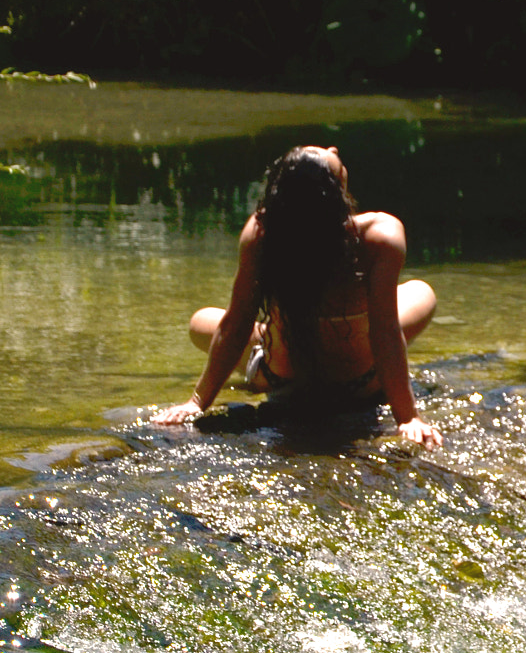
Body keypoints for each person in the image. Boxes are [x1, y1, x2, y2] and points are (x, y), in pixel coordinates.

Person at [153, 145, 442, 447]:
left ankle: (274, 338)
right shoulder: (380, 235)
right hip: (360, 386)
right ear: (338, 189)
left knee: (202, 321)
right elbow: (385, 330)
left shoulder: (263, 231)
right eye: (331, 155)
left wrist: (198, 401)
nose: (333, 148)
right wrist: (407, 416)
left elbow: (237, 322)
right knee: (421, 292)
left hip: (281, 382)